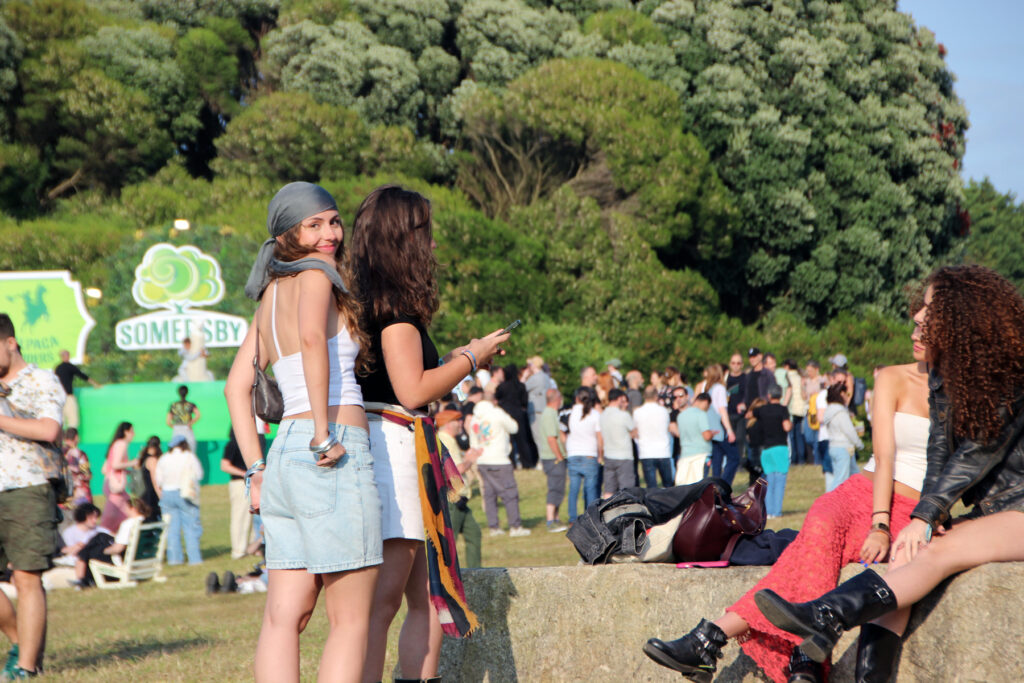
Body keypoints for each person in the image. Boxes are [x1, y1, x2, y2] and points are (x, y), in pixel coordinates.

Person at [753, 265, 1024, 680]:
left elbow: (976, 453)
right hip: (997, 511)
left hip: (1019, 507)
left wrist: (924, 517)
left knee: (936, 552)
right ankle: (847, 647)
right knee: (907, 553)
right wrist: (925, 518)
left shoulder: (1008, 374)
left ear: (961, 317)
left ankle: (828, 614)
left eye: (931, 309)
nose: (918, 315)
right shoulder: (944, 374)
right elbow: (939, 455)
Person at [644, 312, 932, 683]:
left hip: (913, 508)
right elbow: (885, 456)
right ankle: (798, 659)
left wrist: (928, 518)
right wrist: (880, 523)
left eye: (925, 325)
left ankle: (714, 640)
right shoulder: (893, 376)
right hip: (864, 493)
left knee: (804, 555)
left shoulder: (970, 390)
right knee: (817, 531)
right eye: (915, 322)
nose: (914, 330)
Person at [224, 181, 383, 681]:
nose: (329, 233)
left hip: (283, 456)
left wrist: (255, 469)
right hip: (328, 446)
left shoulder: (268, 295)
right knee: (350, 620)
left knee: (283, 617)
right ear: (286, 235)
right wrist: (322, 431)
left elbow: (235, 387)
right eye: (313, 225)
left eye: (333, 221)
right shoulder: (318, 275)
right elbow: (314, 339)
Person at [349, 185, 507, 683]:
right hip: (396, 453)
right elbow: (412, 390)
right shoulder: (396, 313)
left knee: (427, 597)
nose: (434, 244)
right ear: (404, 239)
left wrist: (457, 356)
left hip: (396, 447)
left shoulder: (368, 302)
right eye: (426, 233)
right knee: (387, 602)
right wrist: (471, 358)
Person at [0, 313, 64, 678]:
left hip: (28, 486)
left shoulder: (42, 379)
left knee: (26, 578)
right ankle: (19, 641)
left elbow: (49, 429)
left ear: (10, 343)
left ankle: (26, 667)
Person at [467, 390, 528, 537]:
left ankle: (494, 527)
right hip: (500, 459)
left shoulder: (475, 418)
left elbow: (473, 442)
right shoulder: (497, 413)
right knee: (510, 493)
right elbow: (514, 427)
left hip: (482, 460)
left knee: (489, 495)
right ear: (493, 401)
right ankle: (515, 526)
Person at [435, 410, 482, 567]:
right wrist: (470, 459)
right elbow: (456, 470)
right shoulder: (445, 440)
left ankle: (475, 573)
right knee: (450, 542)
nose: (461, 423)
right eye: (457, 420)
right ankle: (448, 576)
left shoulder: (448, 440)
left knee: (474, 533)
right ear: (448, 424)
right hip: (452, 499)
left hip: (460, 499)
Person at [72, 497, 151, 588]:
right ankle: (83, 576)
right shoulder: (146, 522)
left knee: (90, 551)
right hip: (138, 555)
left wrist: (103, 551)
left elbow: (118, 548)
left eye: (125, 507)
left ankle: (84, 580)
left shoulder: (128, 524)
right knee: (100, 536)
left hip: (121, 558)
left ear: (133, 508)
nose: (124, 510)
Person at [155, 434, 203, 565]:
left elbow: (159, 480)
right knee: (191, 527)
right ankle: (194, 559)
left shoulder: (164, 458)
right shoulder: (189, 456)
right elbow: (199, 474)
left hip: (167, 494)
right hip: (185, 493)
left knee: (171, 529)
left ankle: (174, 559)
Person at [750, 386, 791, 518]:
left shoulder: (761, 410)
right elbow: (786, 426)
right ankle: (777, 512)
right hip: (780, 448)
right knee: (779, 481)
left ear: (769, 396)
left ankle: (768, 512)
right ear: (781, 396)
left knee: (769, 481)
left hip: (766, 449)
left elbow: (750, 414)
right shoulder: (782, 409)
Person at [565, 387, 602, 523]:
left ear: (577, 398)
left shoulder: (569, 413)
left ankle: (572, 518)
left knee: (573, 489)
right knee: (590, 489)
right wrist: (601, 454)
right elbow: (599, 437)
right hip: (589, 454)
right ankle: (591, 518)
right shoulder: (595, 414)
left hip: (573, 453)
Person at [221, 428, 256, 560]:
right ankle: (238, 550)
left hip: (250, 482)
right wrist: (245, 474)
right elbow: (224, 466)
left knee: (251, 516)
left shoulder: (251, 444)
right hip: (240, 484)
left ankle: (250, 547)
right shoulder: (233, 444)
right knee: (240, 517)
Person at [822, 383, 863, 492]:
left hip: (834, 447)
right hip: (843, 448)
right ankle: (829, 501)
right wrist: (859, 444)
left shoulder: (830, 410)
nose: (847, 396)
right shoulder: (840, 412)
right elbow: (849, 431)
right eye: (846, 394)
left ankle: (859, 498)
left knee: (855, 476)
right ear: (841, 394)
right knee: (840, 480)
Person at [538, 388, 568, 532]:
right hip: (553, 458)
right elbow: (551, 438)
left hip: (553, 457)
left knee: (559, 488)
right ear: (557, 399)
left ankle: (556, 518)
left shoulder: (552, 413)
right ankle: (550, 520)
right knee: (555, 488)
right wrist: (559, 456)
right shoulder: (549, 414)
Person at [496, 363, 536, 469]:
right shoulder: (521, 386)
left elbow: (497, 398)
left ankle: (511, 463)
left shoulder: (501, 387)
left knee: (508, 440)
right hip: (518, 414)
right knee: (522, 440)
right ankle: (527, 463)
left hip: (505, 414)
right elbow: (524, 402)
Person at [703, 364, 737, 485]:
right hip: (720, 427)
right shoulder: (720, 389)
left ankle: (715, 485)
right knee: (734, 457)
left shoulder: (708, 389)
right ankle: (723, 483)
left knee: (717, 460)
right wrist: (730, 430)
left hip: (712, 428)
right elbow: (722, 410)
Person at [99, 421, 135, 535]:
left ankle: (116, 540)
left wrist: (126, 470)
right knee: (110, 521)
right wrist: (133, 463)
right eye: (132, 431)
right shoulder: (122, 444)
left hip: (111, 485)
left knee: (125, 517)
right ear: (126, 432)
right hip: (116, 488)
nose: (134, 434)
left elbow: (105, 469)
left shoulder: (115, 444)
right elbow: (115, 464)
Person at [599, 388, 637, 497]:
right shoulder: (623, 415)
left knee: (609, 489)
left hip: (608, 455)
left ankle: (607, 506)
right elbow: (634, 432)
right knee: (626, 490)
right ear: (619, 398)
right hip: (623, 456)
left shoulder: (603, 415)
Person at [634, 386, 673, 487]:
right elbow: (668, 428)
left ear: (644, 396)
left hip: (646, 452)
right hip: (663, 451)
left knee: (651, 487)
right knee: (668, 486)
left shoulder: (638, 412)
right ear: (656, 396)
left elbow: (635, 432)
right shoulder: (663, 411)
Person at [53, 349, 98, 429]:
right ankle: (72, 434)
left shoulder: (57, 368)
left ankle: (61, 435)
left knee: (61, 420)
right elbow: (82, 375)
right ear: (67, 356)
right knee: (73, 419)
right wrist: (95, 383)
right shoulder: (70, 367)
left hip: (58, 396)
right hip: (68, 396)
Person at [676, 393, 715, 485]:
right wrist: (712, 434)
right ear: (706, 402)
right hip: (701, 455)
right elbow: (706, 436)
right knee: (700, 486)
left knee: (685, 485)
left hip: (685, 455)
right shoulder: (701, 414)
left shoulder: (681, 416)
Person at [782, 360, 807, 465]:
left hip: (791, 410)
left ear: (787, 366)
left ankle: (793, 459)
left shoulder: (787, 377)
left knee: (791, 437)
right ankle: (802, 459)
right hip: (801, 410)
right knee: (799, 436)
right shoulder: (800, 377)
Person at [166, 385, 200, 454]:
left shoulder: (173, 405)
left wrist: (175, 426)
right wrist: (190, 423)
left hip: (176, 428)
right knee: (191, 448)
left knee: (176, 449)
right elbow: (198, 415)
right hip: (187, 427)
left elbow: (168, 421)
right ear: (187, 392)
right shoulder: (190, 404)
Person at [136, 436, 163, 522]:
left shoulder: (143, 458)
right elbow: (155, 482)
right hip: (151, 498)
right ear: (158, 445)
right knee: (153, 522)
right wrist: (161, 497)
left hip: (143, 496)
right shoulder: (152, 460)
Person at [63, 427, 92, 506]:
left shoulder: (59, 452)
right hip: (79, 493)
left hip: (62, 494)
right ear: (76, 437)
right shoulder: (79, 454)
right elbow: (86, 474)